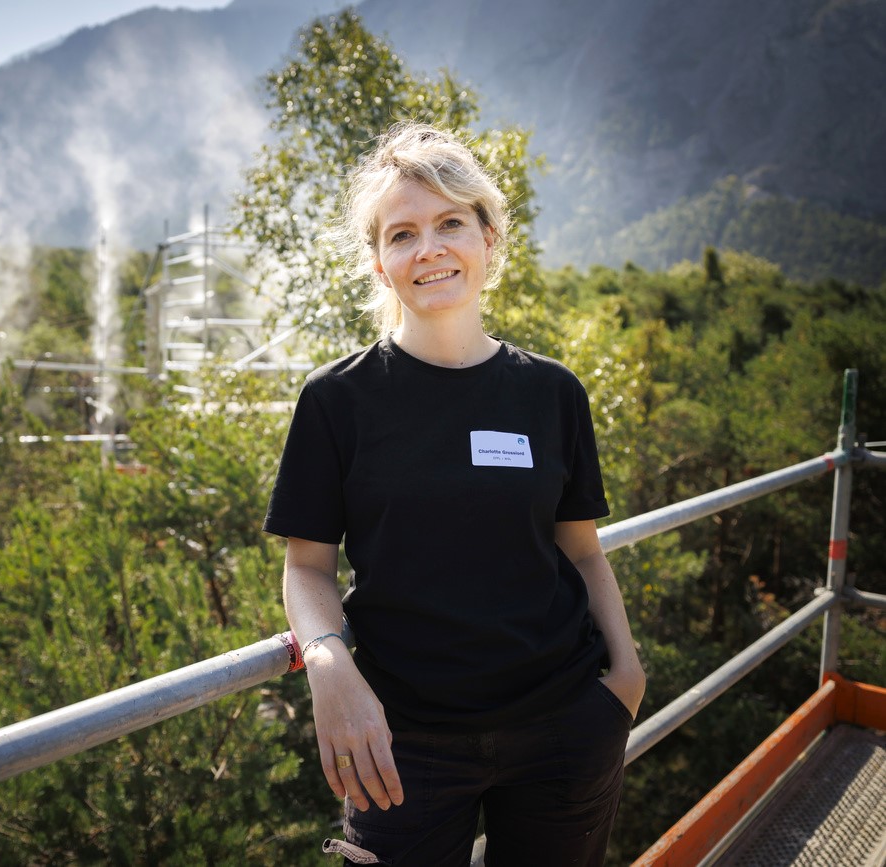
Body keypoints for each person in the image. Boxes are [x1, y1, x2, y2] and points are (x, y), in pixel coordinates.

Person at [263, 122, 646, 866]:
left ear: (489, 238)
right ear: (379, 263)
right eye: (402, 233)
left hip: (564, 727)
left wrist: (625, 681)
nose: (429, 248)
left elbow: (583, 552)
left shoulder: (552, 393)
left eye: (450, 223)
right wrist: (331, 664)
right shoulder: (336, 401)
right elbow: (306, 566)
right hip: (401, 744)